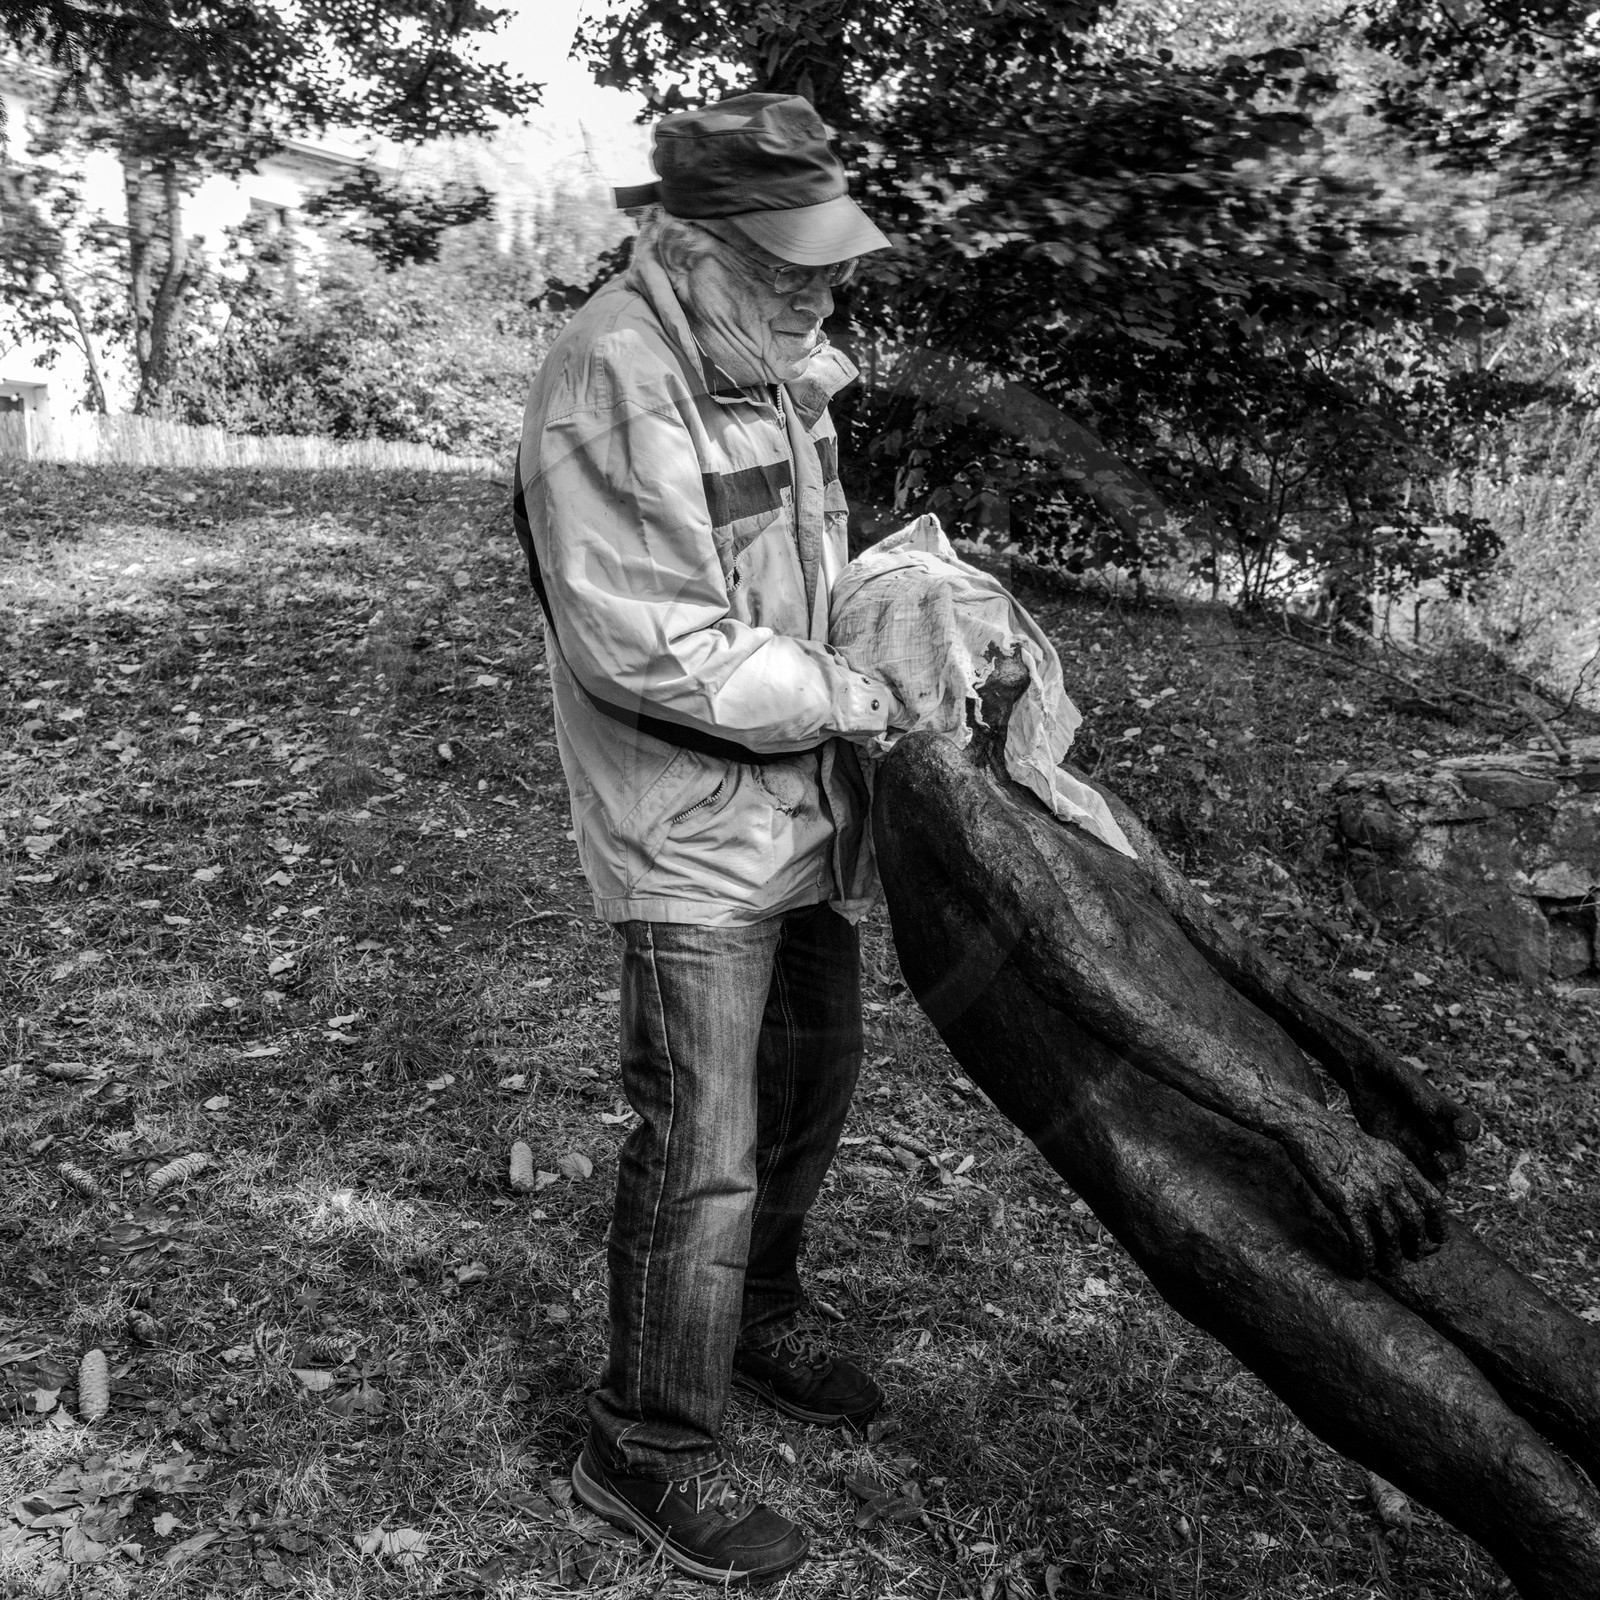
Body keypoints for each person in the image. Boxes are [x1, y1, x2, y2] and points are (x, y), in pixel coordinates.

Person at [514, 92, 904, 1584]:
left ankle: (753, 1315)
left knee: (813, 1073)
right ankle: (647, 1444)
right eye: (790, 257)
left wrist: (901, 619)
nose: (824, 283)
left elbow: (803, 564)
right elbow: (656, 644)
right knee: (704, 1137)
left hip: (798, 791)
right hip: (687, 813)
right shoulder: (618, 372)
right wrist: (858, 695)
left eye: (830, 256)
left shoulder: (772, 354)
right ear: (684, 238)